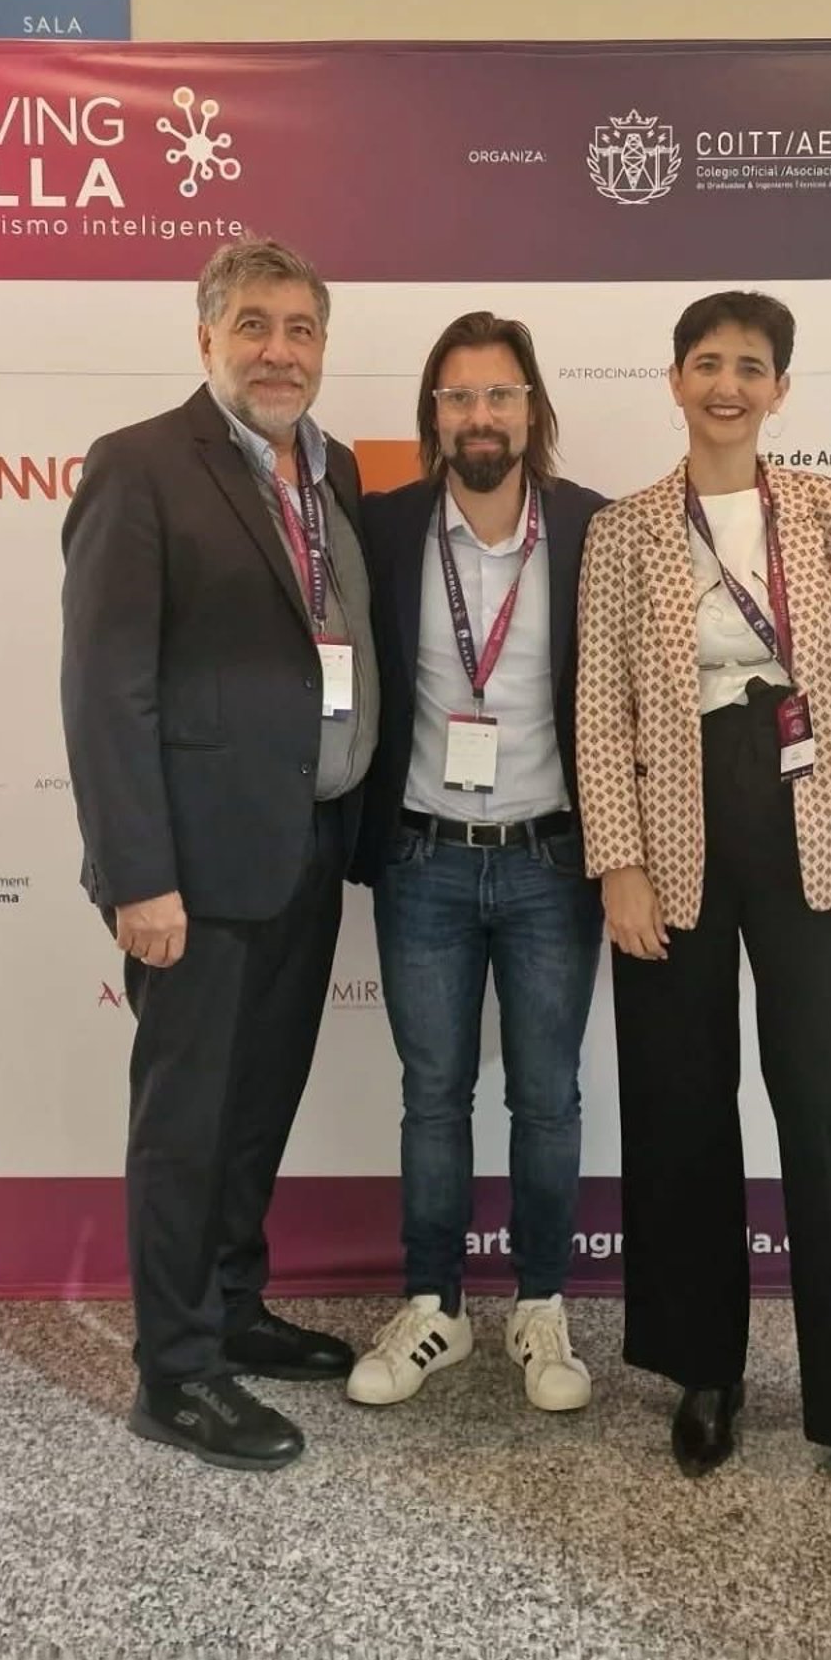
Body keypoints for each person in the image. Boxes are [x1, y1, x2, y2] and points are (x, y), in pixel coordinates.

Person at [575, 290, 831, 1506]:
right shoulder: (623, 530)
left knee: (825, 1104)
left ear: (780, 389)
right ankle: (703, 1372)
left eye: (752, 367)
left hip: (808, 818)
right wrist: (618, 862)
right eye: (708, 363)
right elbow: (600, 704)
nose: (728, 385)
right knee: (679, 1100)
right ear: (675, 380)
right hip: (672, 820)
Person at [60, 237, 376, 1471]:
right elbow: (105, 690)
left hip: (307, 846)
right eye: (254, 325)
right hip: (190, 871)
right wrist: (138, 876)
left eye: (300, 329)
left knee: (257, 1108)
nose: (278, 351)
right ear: (207, 338)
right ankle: (177, 1370)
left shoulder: (334, 471)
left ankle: (233, 1307)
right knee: (187, 1122)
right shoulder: (140, 466)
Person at [345, 311, 607, 1412]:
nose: (480, 415)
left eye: (499, 394)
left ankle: (540, 1306)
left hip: (553, 862)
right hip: (424, 861)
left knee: (547, 1099)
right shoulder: (382, 527)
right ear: (434, 416)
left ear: (532, 410)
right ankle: (435, 1307)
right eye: (458, 397)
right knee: (432, 1097)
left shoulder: (592, 529)